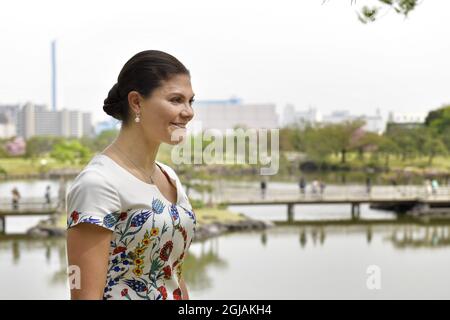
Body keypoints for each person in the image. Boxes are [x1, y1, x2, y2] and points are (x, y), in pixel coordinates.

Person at [66, 50, 196, 300]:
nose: (188, 112)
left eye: (191, 101)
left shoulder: (169, 176)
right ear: (136, 102)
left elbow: (173, 274)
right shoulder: (98, 184)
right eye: (176, 100)